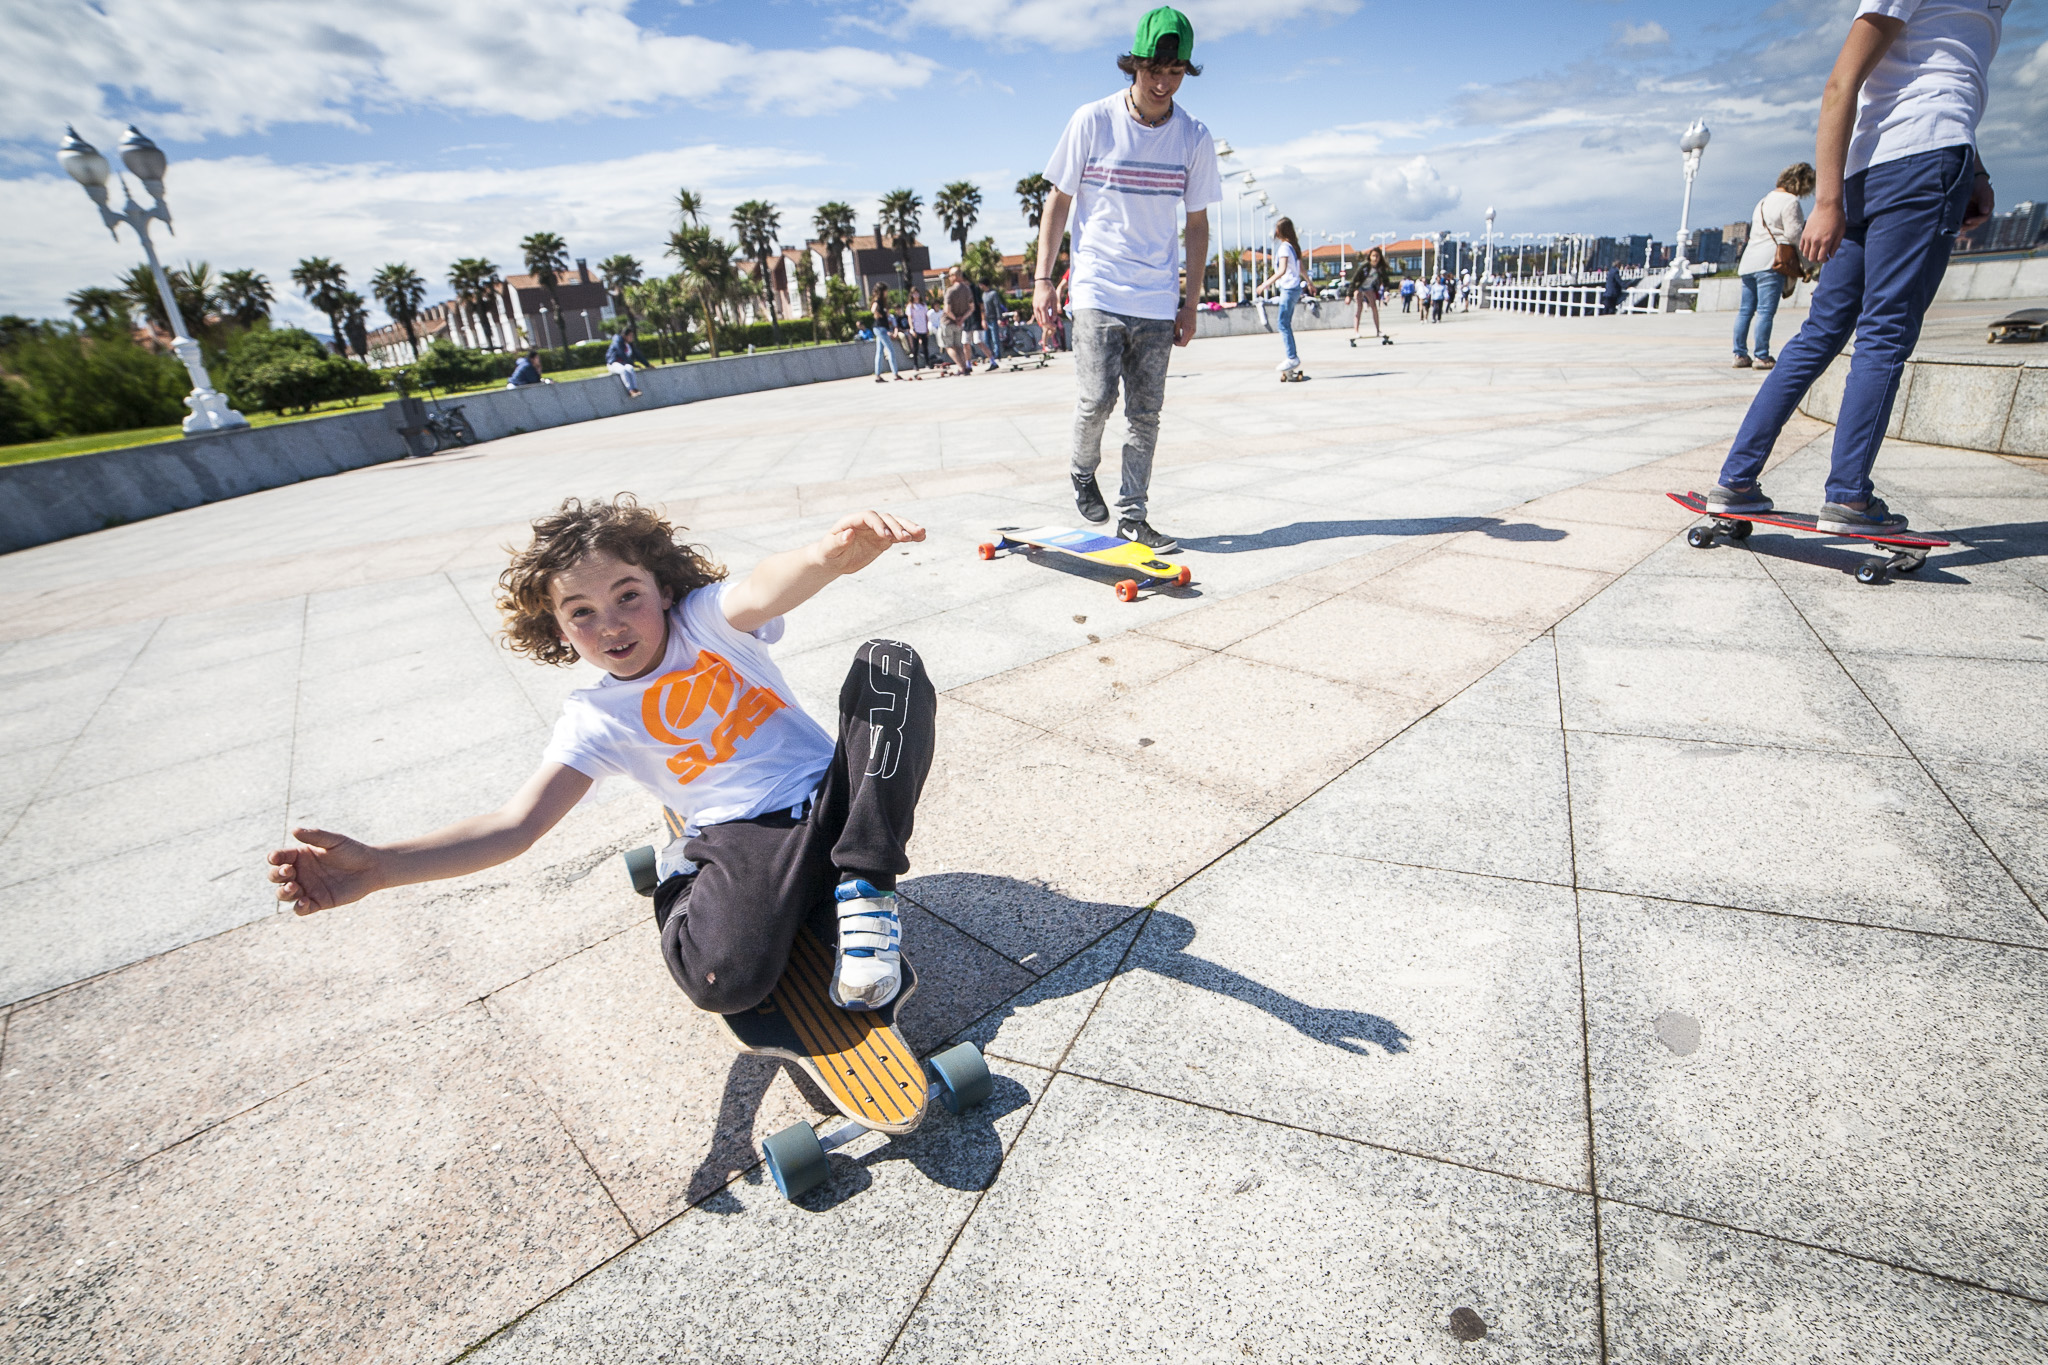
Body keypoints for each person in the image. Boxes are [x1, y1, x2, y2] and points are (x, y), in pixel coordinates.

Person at [266, 496, 933, 1016]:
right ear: (558, 629)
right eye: (581, 612)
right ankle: (687, 881)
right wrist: (382, 866)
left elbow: (762, 587)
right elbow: (514, 825)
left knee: (890, 665)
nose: (611, 623)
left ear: (663, 590)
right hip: (744, 836)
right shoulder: (595, 718)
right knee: (722, 981)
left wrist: (826, 555)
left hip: (834, 798)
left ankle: (865, 886)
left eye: (627, 596)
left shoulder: (705, 622)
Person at [1706, 0, 2002, 533]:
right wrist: (1826, 202)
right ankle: (1848, 497)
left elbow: (1934, 81)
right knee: (1884, 333)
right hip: (1919, 166)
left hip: (1876, 167)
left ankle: (1737, 481)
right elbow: (1841, 84)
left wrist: (1975, 170)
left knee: (1820, 332)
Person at [1034, 6, 1220, 552]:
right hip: (1098, 286)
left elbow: (1198, 225)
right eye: (1153, 71)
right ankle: (1081, 468)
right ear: (1134, 65)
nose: (1163, 83)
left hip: (1158, 298)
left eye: (1175, 72)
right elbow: (1058, 202)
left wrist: (1190, 303)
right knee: (1096, 400)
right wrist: (1043, 278)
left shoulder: (1193, 136)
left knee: (1145, 415)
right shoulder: (1092, 120)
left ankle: (1133, 516)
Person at [1733, 163, 1817, 370]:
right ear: (1802, 183)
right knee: (1765, 312)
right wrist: (1808, 263)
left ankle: (1739, 354)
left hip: (1749, 261)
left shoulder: (1763, 201)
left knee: (1745, 311)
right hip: (1771, 261)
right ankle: (1761, 356)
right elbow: (1794, 234)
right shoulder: (1790, 201)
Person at [1250, 215, 1310, 381]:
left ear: (1280, 231)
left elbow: (1282, 270)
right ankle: (1292, 357)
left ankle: (1292, 357)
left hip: (1288, 289)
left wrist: (1264, 285)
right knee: (1285, 323)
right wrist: (1310, 283)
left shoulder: (1284, 248)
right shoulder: (1294, 247)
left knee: (1283, 324)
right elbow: (1301, 268)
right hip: (1295, 288)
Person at [1349, 249, 1391, 345]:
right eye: (1373, 256)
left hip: (1369, 287)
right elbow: (1354, 279)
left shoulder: (1380, 268)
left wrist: (1386, 292)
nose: (1375, 258)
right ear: (1370, 257)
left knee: (1374, 307)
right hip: (1359, 286)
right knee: (1359, 308)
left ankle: (1378, 330)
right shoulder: (1364, 266)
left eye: (1377, 256)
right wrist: (1349, 295)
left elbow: (1386, 281)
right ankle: (1356, 332)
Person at [941, 267, 975, 375]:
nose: (949, 278)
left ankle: (961, 368)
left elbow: (947, 310)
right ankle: (965, 366)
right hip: (960, 323)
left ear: (954, 276)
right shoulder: (967, 290)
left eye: (950, 275)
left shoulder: (950, 290)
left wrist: (955, 319)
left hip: (948, 322)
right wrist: (962, 319)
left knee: (949, 346)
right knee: (959, 346)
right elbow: (971, 308)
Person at [870, 285, 902, 382]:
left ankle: (878, 375)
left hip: (881, 328)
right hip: (880, 328)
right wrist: (879, 315)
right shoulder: (878, 301)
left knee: (879, 352)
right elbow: (873, 309)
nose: (887, 293)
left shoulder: (883, 302)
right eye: (885, 291)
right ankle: (895, 373)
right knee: (890, 350)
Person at [605, 326, 645, 397]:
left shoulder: (629, 344)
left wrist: (647, 364)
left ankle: (635, 388)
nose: (632, 337)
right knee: (623, 370)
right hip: (613, 364)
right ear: (625, 336)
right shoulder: (617, 341)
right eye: (630, 336)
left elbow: (637, 354)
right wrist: (632, 363)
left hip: (623, 363)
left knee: (630, 368)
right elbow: (621, 353)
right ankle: (630, 390)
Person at [983, 279, 1009, 365]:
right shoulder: (983, 295)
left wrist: (999, 318)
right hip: (987, 319)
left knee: (995, 338)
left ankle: (997, 354)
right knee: (986, 339)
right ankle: (990, 354)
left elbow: (997, 306)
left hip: (993, 318)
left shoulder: (993, 294)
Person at [906, 290, 934, 370]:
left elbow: (926, 317)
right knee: (915, 348)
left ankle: (927, 363)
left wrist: (927, 328)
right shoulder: (910, 306)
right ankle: (915, 364)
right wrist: (912, 328)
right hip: (916, 328)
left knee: (925, 347)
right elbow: (910, 318)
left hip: (923, 328)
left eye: (917, 293)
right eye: (914, 294)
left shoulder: (923, 305)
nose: (916, 295)